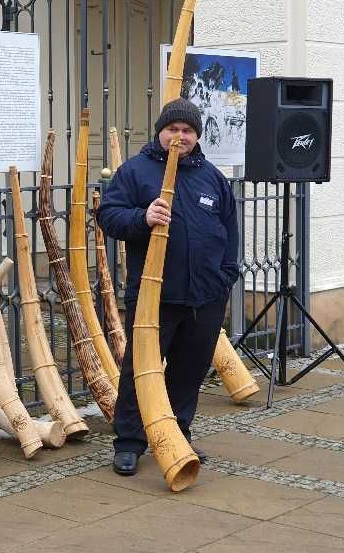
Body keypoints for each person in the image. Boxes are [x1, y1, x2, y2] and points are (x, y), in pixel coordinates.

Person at [97, 97, 240, 476]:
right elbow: (109, 216)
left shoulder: (212, 177)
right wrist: (142, 217)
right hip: (153, 295)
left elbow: (229, 231)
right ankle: (130, 442)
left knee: (189, 370)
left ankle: (177, 435)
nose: (179, 137)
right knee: (140, 370)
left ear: (197, 135)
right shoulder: (135, 172)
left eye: (187, 131)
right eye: (172, 129)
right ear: (160, 131)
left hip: (206, 296)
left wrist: (227, 276)